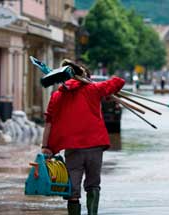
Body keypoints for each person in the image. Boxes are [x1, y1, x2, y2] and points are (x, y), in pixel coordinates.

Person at [41, 60, 125, 215]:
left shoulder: (57, 96)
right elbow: (118, 82)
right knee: (93, 184)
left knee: (73, 188)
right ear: (83, 75)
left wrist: (45, 147)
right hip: (94, 145)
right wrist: (92, 82)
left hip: (72, 148)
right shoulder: (93, 89)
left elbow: (49, 123)